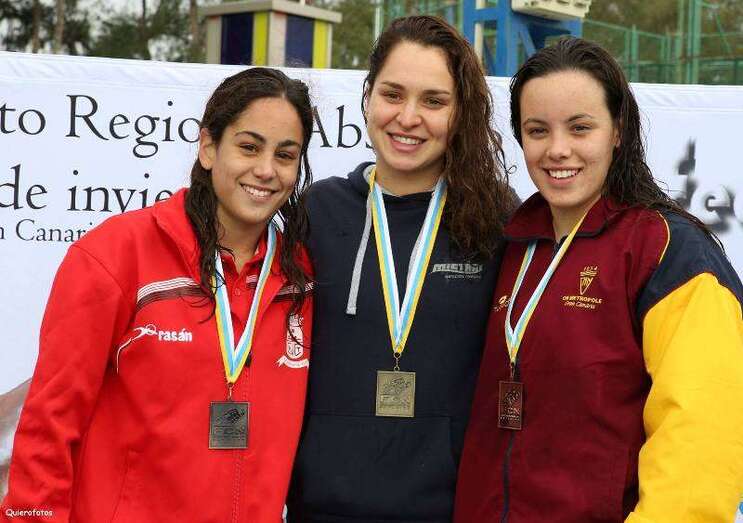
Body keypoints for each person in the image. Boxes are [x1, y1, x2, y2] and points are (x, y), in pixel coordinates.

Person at [1, 67, 315, 522]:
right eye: (249, 147)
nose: (266, 170)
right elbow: (49, 423)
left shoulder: (300, 278)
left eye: (285, 155)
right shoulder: (116, 256)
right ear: (208, 147)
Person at [455, 37, 743, 522]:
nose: (557, 149)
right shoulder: (512, 244)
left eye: (580, 128)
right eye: (538, 130)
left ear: (618, 131)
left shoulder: (666, 249)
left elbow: (701, 442)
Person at [287, 15, 514, 523]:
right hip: (322, 508)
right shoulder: (317, 212)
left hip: (449, 509)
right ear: (368, 96)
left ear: (461, 112)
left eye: (433, 101)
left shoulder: (494, 219)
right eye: (393, 94)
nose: (408, 118)